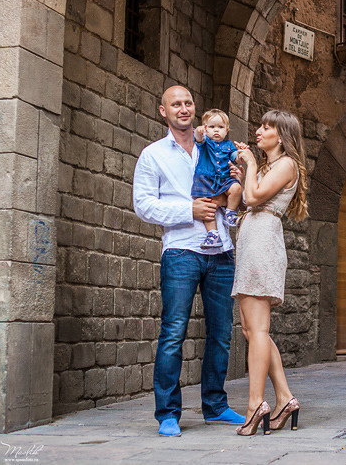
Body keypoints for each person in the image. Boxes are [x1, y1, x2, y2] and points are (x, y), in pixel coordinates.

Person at [132, 85, 246, 437]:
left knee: (222, 334)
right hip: (181, 250)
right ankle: (167, 413)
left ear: (195, 109)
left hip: (221, 251)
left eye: (188, 103)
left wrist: (236, 187)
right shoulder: (153, 155)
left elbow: (232, 195)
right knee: (173, 333)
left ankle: (215, 406)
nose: (183, 108)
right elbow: (144, 204)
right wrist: (188, 210)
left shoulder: (213, 145)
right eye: (175, 104)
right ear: (162, 111)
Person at [231, 110, 308, 436]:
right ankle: (285, 398)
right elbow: (241, 201)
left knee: (258, 329)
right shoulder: (268, 167)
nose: (259, 131)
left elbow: (253, 197)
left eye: (267, 127)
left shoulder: (286, 164)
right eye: (260, 125)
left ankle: (255, 404)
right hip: (252, 243)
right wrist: (246, 171)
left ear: (282, 135)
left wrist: (248, 165)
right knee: (252, 330)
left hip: (263, 245)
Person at [192, 109, 243, 249]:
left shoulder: (229, 145)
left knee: (236, 188)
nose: (216, 130)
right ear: (206, 128)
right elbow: (198, 138)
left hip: (225, 178)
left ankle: (230, 213)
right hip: (206, 179)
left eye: (220, 127)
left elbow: (236, 158)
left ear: (226, 130)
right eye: (212, 127)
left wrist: (242, 153)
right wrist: (199, 131)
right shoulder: (205, 143)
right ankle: (213, 234)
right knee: (207, 207)